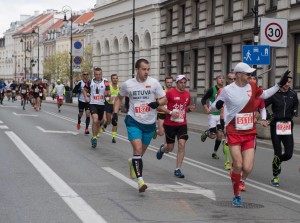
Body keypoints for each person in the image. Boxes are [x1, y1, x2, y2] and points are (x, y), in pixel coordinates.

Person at [210, 62, 290, 207]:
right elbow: (213, 106)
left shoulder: (252, 87)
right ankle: (236, 195)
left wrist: (279, 84)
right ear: (239, 75)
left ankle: (238, 177)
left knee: (247, 168)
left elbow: (265, 95)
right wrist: (217, 105)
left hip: (249, 132)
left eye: (251, 74)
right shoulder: (227, 90)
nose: (250, 76)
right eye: (248, 74)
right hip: (234, 131)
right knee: (238, 165)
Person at [112, 58, 167, 192]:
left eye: (148, 69)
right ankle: (140, 181)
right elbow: (119, 98)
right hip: (133, 120)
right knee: (137, 149)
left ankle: (133, 162)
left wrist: (158, 103)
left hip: (149, 123)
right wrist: (114, 113)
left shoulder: (154, 83)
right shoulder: (128, 84)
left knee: (140, 153)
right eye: (144, 69)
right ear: (137, 69)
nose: (146, 72)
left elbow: (164, 98)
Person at [156, 75, 196, 178]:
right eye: (181, 83)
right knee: (170, 148)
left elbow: (185, 108)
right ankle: (162, 149)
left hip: (182, 123)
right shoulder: (170, 93)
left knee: (182, 144)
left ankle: (178, 169)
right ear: (177, 83)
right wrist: (170, 112)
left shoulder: (187, 94)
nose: (183, 85)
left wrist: (189, 109)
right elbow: (160, 106)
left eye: (184, 83)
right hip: (170, 124)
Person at [265, 74, 298, 187]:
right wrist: (268, 116)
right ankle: (275, 177)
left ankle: (277, 162)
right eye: (285, 82)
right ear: (282, 82)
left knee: (288, 154)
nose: (287, 85)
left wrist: (294, 111)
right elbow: (262, 105)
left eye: (289, 82)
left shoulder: (293, 94)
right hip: (276, 125)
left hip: (287, 125)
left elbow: (296, 105)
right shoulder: (274, 93)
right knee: (277, 152)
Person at [82, 67, 110, 148]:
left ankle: (96, 133)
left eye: (100, 74)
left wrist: (107, 94)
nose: (98, 76)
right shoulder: (90, 82)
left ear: (102, 74)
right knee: (95, 120)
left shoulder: (105, 82)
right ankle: (94, 138)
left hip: (102, 104)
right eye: (96, 74)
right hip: (93, 104)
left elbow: (109, 92)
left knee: (100, 121)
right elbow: (84, 90)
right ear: (94, 75)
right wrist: (86, 97)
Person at [200, 74, 225, 159]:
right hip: (212, 115)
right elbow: (203, 99)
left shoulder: (225, 90)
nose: (221, 80)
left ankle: (214, 152)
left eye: (222, 78)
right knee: (213, 136)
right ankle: (207, 133)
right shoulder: (212, 90)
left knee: (220, 135)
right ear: (216, 80)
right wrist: (206, 109)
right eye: (219, 78)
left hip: (221, 116)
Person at [104, 74, 120, 143]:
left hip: (115, 106)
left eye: (116, 78)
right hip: (108, 105)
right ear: (111, 79)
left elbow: (120, 97)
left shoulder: (119, 87)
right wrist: (108, 98)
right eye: (113, 78)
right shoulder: (108, 87)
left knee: (115, 121)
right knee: (108, 122)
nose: (115, 79)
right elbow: (104, 96)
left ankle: (114, 137)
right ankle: (104, 124)